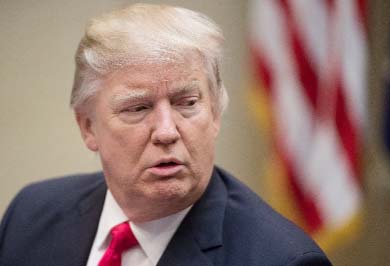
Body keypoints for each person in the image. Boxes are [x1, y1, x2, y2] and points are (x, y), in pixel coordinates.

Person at [0, 3, 332, 266]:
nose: (167, 131)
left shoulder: (282, 260)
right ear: (88, 127)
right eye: (137, 108)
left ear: (215, 113)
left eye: (186, 103)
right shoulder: (30, 215)